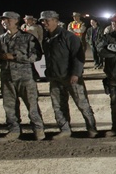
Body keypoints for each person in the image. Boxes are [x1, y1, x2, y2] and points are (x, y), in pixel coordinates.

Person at [40, 10, 99, 138]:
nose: (44, 23)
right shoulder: (47, 38)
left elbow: (78, 57)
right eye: (43, 21)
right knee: (58, 105)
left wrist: (76, 74)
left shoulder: (69, 37)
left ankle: (91, 128)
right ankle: (65, 129)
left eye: (47, 20)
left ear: (56, 21)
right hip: (55, 77)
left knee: (82, 104)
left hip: (71, 77)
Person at [0, 11, 45, 141]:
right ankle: (14, 130)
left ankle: (38, 129)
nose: (5, 22)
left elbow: (36, 55)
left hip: (26, 77)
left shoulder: (28, 38)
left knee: (32, 105)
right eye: (3, 20)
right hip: (7, 78)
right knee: (9, 106)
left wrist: (15, 57)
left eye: (8, 20)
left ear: (16, 21)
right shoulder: (0, 39)